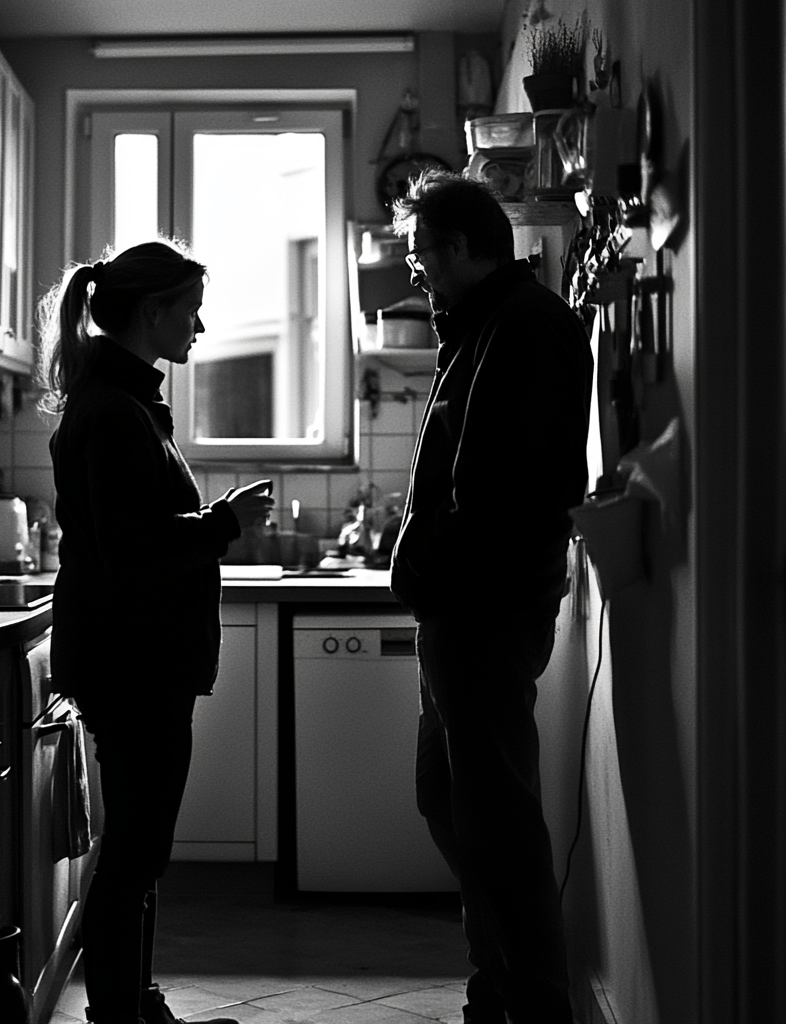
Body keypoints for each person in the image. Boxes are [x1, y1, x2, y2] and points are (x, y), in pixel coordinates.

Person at [38, 240, 275, 1024]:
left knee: (141, 848)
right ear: (153, 312)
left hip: (135, 660)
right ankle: (120, 1013)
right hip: (132, 663)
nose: (201, 326)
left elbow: (131, 533)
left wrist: (214, 523)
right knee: (138, 849)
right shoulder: (113, 412)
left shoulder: (124, 402)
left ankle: (135, 1003)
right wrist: (224, 523)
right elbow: (131, 547)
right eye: (191, 308)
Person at [389, 171, 592, 1024]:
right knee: (451, 798)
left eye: (420, 253)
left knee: (499, 822)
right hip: (465, 611)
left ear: (467, 247)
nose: (414, 272)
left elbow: (496, 490)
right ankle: (498, 982)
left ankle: (532, 1004)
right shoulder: (485, 325)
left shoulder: (525, 328)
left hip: (484, 612)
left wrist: (435, 568)